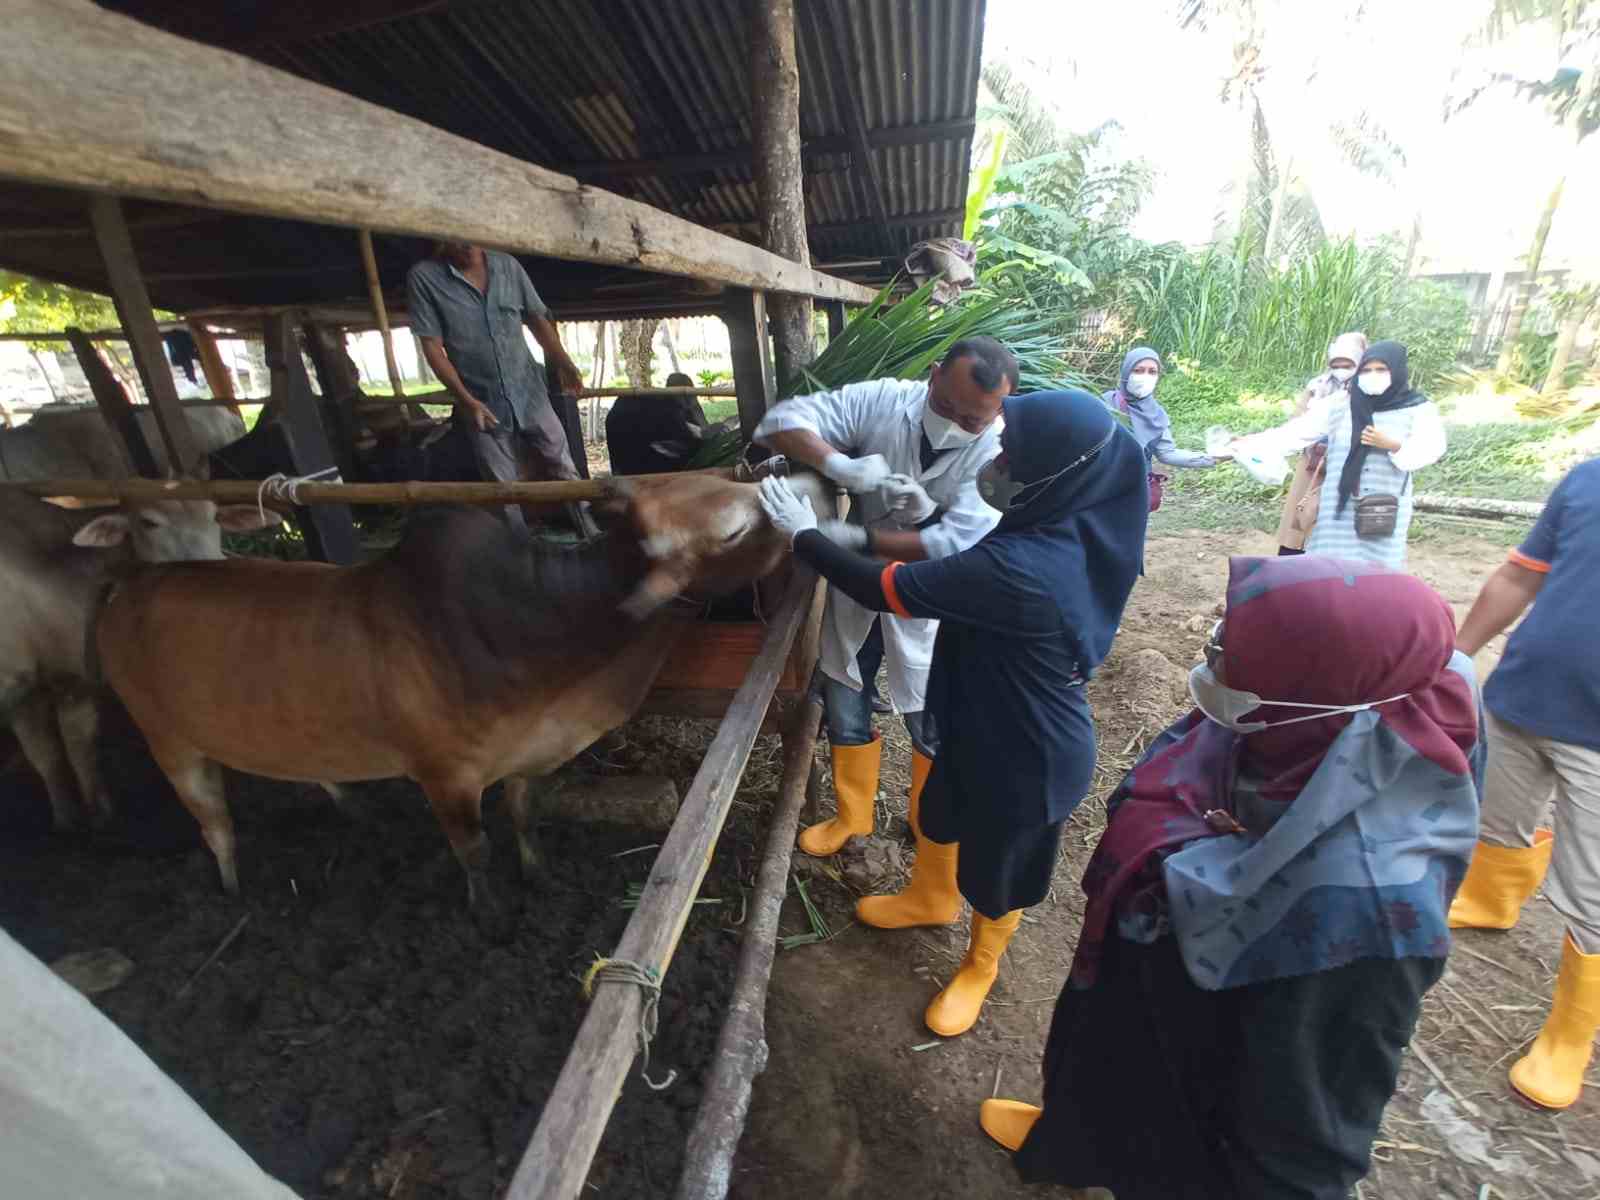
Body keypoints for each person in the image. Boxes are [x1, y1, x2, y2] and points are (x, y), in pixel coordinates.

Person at [978, 556, 1481, 1198]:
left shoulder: (1364, 918)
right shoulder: (1301, 726)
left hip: (1198, 1092)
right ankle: (1078, 1138)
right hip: (1145, 999)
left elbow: (1302, 1147)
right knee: (1107, 1068)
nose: (1213, 655)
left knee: (1163, 1154)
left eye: (1232, 649)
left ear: (1315, 681)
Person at [758, 390, 1147, 1036]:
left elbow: (883, 588)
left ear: (1056, 473)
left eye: (1012, 454)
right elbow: (975, 547)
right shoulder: (1065, 521)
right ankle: (930, 897)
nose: (997, 461)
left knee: (999, 871)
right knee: (940, 812)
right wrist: (933, 513)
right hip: (979, 717)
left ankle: (980, 965)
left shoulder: (1030, 568)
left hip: (1029, 753)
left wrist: (807, 536)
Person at [752, 338, 1017, 858]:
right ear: (933, 374)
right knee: (845, 694)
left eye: (973, 420)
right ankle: (852, 816)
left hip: (932, 595)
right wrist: (839, 465)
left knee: (932, 718)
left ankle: (929, 821)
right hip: (854, 587)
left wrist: (863, 534)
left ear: (1000, 409)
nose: (955, 423)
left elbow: (960, 543)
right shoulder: (886, 399)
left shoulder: (1003, 452)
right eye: (946, 406)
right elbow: (780, 421)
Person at [1450, 457, 1600, 1110]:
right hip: (1521, 697)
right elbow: (1519, 576)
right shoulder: (1588, 479)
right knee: (1495, 816)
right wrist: (1455, 656)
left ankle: (1570, 1035)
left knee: (1591, 889)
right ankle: (1491, 899)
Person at [406, 242, 595, 535]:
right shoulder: (425, 278)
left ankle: (590, 531)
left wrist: (564, 363)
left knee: (563, 465)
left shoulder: (508, 266)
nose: (465, 246)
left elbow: (537, 319)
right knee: (503, 488)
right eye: (454, 239)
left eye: (470, 239)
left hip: (529, 391)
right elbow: (432, 347)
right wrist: (467, 401)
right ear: (438, 238)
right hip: (481, 401)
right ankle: (520, 550)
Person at [1302, 340, 1444, 569]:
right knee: (1329, 569)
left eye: (1381, 369)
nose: (1372, 375)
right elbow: (1299, 432)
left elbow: (1432, 448)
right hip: (1338, 506)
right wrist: (1248, 445)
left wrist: (1392, 445)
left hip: (1383, 509)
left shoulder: (1418, 408)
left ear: (1397, 370)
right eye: (1366, 370)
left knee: (1378, 575)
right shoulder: (1340, 403)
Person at [1231, 331, 1368, 555]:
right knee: (1300, 519)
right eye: (1337, 364)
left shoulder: (1372, 393)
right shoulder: (1321, 389)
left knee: (1337, 529)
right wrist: (1251, 442)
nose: (1341, 369)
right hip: (1313, 462)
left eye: (1347, 364)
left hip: (1351, 472)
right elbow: (1298, 428)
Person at [1101, 347, 1225, 509]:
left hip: (1135, 491)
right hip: (1101, 489)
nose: (1145, 377)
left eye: (1152, 372)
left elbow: (1167, 454)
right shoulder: (1104, 403)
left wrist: (1213, 458)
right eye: (1138, 370)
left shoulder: (1155, 414)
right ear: (1126, 371)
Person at [605, 371, 713, 476]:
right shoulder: (668, 409)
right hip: (645, 465)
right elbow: (696, 438)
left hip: (625, 465)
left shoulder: (656, 402)